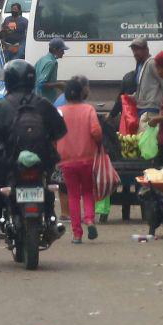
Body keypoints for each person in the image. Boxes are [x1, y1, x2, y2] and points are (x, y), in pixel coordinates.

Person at [0, 60, 67, 264]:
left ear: (8, 81)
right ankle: (51, 220)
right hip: (41, 162)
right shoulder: (43, 104)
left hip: (8, 164)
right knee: (47, 187)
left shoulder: (0, 106)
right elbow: (61, 130)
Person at [57, 76, 102, 243]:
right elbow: (96, 131)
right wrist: (98, 144)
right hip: (87, 158)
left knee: (73, 195)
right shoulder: (88, 109)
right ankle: (89, 219)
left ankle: (77, 234)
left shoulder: (60, 111)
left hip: (66, 159)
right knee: (88, 191)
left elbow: (54, 135)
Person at [131, 38, 163, 116]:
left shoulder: (152, 63)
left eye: (138, 50)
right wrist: (134, 96)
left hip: (152, 107)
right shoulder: (141, 65)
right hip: (141, 107)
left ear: (146, 49)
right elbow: (144, 87)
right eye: (133, 50)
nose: (135, 53)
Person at [34, 38, 66, 103]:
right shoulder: (51, 63)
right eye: (62, 50)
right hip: (46, 101)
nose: (63, 52)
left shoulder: (42, 59)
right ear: (55, 50)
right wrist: (58, 85)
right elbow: (41, 84)